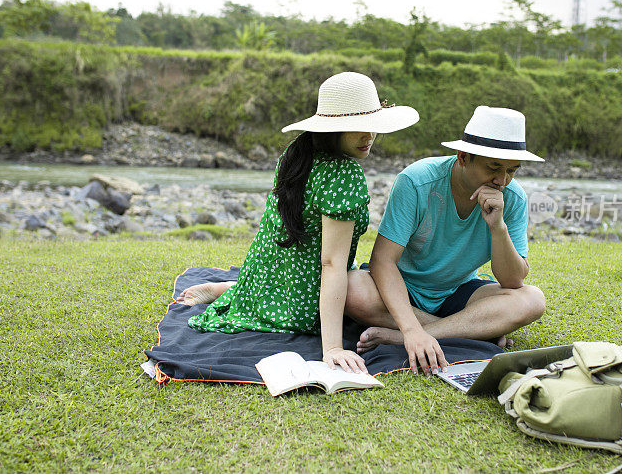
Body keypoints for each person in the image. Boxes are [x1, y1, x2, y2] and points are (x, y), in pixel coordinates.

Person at [181, 72, 419, 375]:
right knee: (359, 285)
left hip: (267, 276)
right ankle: (448, 327)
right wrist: (332, 347)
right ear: (335, 128)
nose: (368, 136)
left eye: (372, 126)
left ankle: (234, 289)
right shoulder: (344, 176)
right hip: (300, 298)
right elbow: (332, 264)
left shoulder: (298, 151)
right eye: (357, 127)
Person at [344, 106, 547, 376]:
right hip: (401, 288)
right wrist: (412, 329)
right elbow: (383, 261)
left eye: (512, 170)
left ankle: (402, 335)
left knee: (533, 299)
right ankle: (471, 329)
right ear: (463, 157)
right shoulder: (417, 181)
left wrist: (498, 227)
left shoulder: (513, 198)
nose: (502, 180)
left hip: (457, 291)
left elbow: (513, 281)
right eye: (494, 167)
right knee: (352, 287)